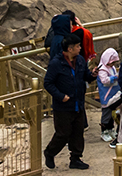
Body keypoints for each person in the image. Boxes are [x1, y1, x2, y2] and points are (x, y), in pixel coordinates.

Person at [43, 34, 94, 170]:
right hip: (63, 106)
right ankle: (50, 152)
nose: (80, 48)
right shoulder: (56, 63)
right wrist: (60, 96)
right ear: (70, 49)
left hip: (78, 102)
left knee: (78, 131)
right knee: (63, 133)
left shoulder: (81, 60)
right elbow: (48, 83)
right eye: (77, 46)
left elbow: (85, 76)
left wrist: (92, 75)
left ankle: (76, 158)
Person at [97, 47, 122, 145]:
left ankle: (111, 129)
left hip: (113, 94)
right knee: (106, 114)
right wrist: (115, 78)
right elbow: (104, 80)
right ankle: (104, 131)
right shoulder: (102, 69)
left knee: (113, 113)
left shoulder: (111, 68)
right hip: (106, 95)